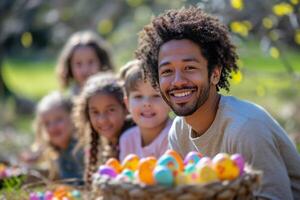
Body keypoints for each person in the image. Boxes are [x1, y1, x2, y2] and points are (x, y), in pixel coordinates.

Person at [135, 6, 300, 200]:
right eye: (167, 71)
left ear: (215, 74)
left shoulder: (246, 129)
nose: (177, 81)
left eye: (189, 68)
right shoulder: (179, 131)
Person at [73, 72, 134, 185]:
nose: (102, 120)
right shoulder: (104, 146)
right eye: (95, 112)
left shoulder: (133, 140)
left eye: (110, 110)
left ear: (125, 107)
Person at [119, 60, 172, 161]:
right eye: (138, 96)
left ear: (170, 101)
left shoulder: (174, 135)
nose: (146, 103)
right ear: (127, 103)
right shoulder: (127, 139)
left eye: (156, 95)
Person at [29, 91, 84, 181]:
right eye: (47, 123)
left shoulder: (79, 150)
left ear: (73, 117)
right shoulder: (57, 150)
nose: (52, 127)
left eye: (58, 119)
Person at [56, 30, 114, 97]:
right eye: (78, 64)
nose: (85, 69)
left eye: (91, 62)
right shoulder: (67, 100)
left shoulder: (111, 95)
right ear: (69, 66)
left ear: (101, 62)